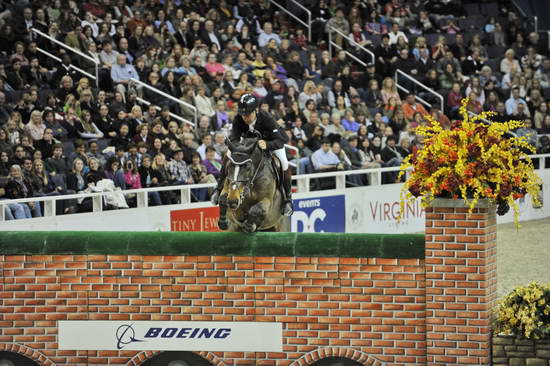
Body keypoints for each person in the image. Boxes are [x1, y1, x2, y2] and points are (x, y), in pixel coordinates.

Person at [210, 94, 293, 216]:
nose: (246, 118)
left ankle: (287, 199)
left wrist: (268, 144)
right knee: (228, 155)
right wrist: (237, 148)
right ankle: (218, 188)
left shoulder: (266, 118)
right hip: (249, 146)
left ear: (256, 110)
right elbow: (234, 138)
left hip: (271, 143)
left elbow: (281, 139)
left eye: (248, 114)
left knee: (284, 163)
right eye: (243, 114)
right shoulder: (239, 118)